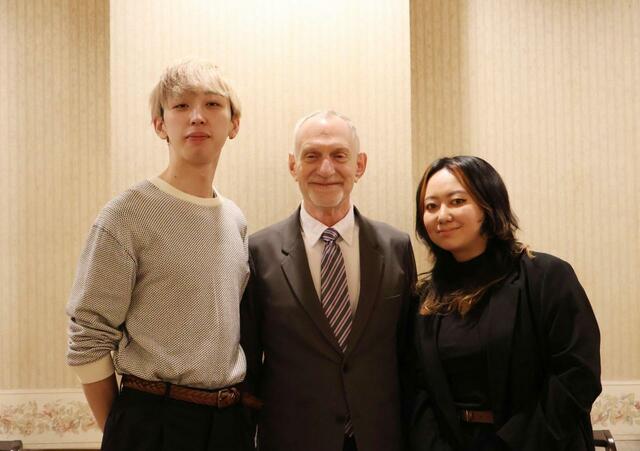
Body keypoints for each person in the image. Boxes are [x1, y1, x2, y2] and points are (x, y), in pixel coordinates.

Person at [66, 59, 253, 451]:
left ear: (234, 124)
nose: (197, 116)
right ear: (159, 124)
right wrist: (124, 431)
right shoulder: (126, 215)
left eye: (212, 104)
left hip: (229, 422)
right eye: (181, 105)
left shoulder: (235, 221)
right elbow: (88, 336)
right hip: (152, 420)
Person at [240, 110, 417, 451]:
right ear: (293, 165)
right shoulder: (258, 252)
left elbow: (408, 357)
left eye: (339, 155)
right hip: (292, 440)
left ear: (359, 165)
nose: (325, 169)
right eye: (311, 156)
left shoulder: (396, 247)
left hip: (379, 438)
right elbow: (248, 366)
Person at [409, 155, 601, 451]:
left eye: (457, 201)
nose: (442, 215)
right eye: (431, 206)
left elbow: (577, 375)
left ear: (488, 206)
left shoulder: (546, 276)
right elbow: (417, 387)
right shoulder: (425, 298)